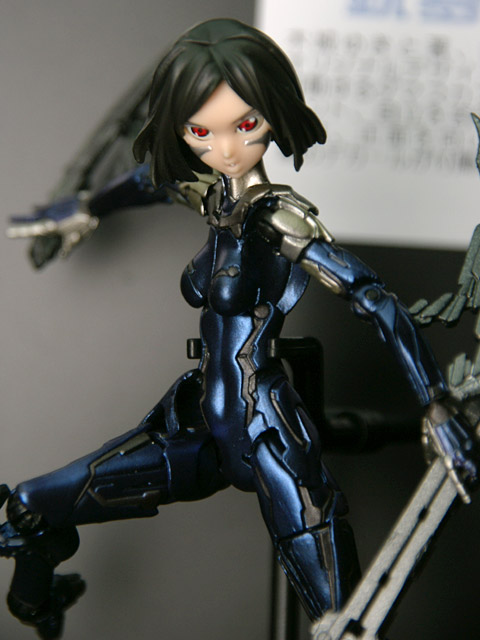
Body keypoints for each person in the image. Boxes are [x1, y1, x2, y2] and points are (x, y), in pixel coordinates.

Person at [1, 18, 477, 639]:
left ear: (274, 113)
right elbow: (151, 179)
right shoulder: (212, 199)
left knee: (345, 624)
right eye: (201, 131)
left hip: (266, 434)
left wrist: (435, 404)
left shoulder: (279, 219)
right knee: (29, 508)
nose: (226, 149)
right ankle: (41, 606)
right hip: (198, 427)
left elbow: (372, 297)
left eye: (245, 125)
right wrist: (88, 207)